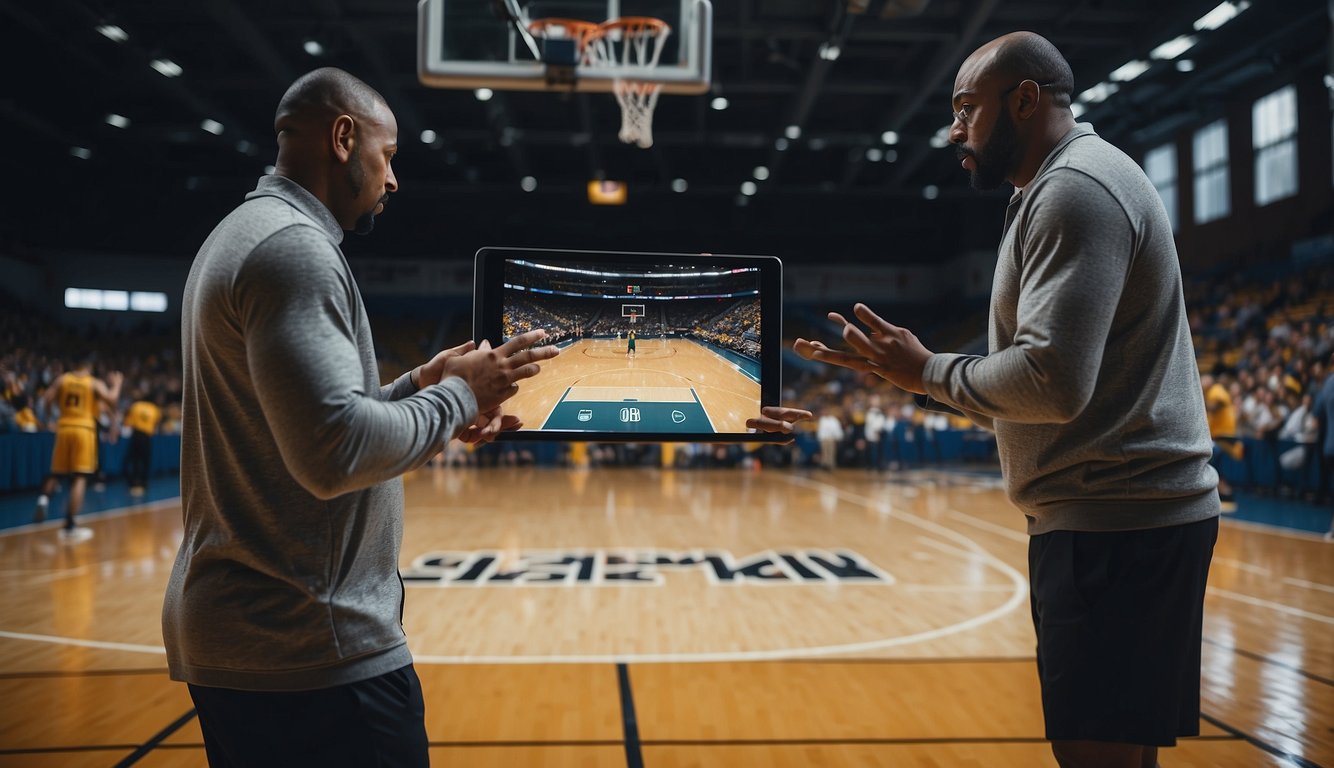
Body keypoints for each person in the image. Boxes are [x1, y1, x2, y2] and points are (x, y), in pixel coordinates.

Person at [788, 32, 1219, 768]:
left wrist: (927, 373)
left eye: (966, 109)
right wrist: (913, 377)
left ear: (1026, 100)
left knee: (1096, 756)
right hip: (1111, 518)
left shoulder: (1076, 189)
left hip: (1117, 526)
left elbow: (1050, 382)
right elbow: (1040, 385)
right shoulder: (1050, 187)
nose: (954, 129)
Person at [161, 67, 558, 768]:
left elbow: (306, 423)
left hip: (257, 638)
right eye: (389, 154)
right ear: (343, 137)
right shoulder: (294, 249)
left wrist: (417, 387)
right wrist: (461, 395)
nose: (395, 179)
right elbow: (333, 454)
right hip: (308, 646)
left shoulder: (247, 232)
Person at [34, 360, 123, 542]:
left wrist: (50, 417)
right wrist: (117, 385)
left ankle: (43, 499)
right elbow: (112, 400)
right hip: (84, 430)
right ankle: (69, 525)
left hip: (64, 427)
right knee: (80, 477)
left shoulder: (63, 379)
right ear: (89, 367)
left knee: (57, 473)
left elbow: (47, 399)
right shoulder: (93, 382)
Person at [1201, 370, 1241, 510]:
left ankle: (1224, 491)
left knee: (1209, 455)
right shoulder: (1210, 393)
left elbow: (1215, 405)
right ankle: (1221, 491)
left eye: (1203, 378)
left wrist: (1196, 399)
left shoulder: (1216, 390)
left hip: (1225, 438)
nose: (1200, 381)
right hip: (1219, 437)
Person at [123, 389, 162, 496]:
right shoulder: (155, 409)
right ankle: (144, 483)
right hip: (146, 437)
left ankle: (134, 483)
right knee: (145, 461)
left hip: (136, 435)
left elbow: (128, 423)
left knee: (134, 460)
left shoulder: (136, 406)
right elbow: (156, 425)